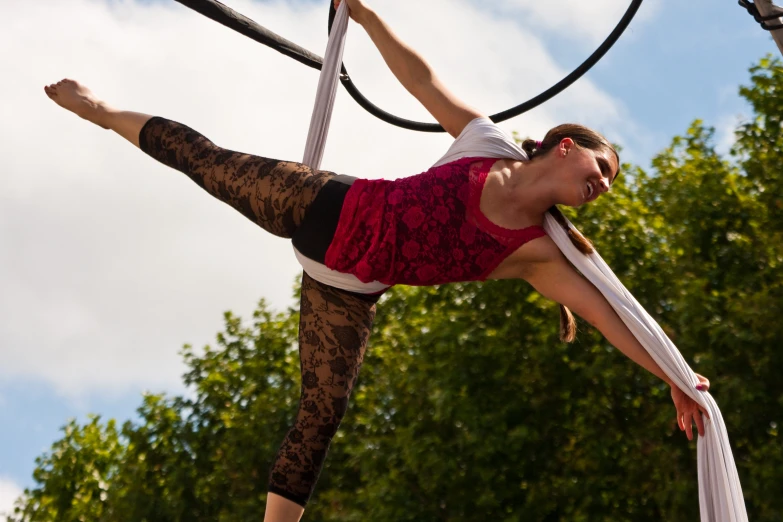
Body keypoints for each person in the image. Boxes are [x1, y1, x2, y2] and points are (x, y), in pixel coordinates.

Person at [44, 0, 711, 519]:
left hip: (348, 288)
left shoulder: (537, 253)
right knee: (204, 160)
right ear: (563, 147)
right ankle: (99, 110)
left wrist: (673, 376)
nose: (602, 184)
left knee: (321, 413)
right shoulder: (485, 143)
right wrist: (363, 14)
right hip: (323, 206)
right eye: (601, 168)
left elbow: (607, 315)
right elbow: (420, 79)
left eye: (609, 184)